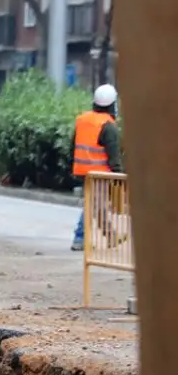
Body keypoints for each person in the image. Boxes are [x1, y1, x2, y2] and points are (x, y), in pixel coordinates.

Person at [71, 83, 124, 251]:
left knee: (96, 205)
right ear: (111, 104)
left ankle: (111, 236)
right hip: (99, 173)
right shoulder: (108, 126)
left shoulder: (83, 120)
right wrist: (119, 176)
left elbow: (72, 144)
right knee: (93, 206)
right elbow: (114, 156)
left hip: (82, 170)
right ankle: (80, 238)